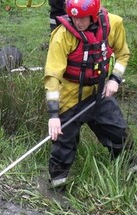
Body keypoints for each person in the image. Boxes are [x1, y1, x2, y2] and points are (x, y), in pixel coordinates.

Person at [45, 0, 134, 188]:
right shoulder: (62, 36)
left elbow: (123, 54)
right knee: (63, 146)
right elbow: (52, 75)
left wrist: (114, 79)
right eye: (74, 17)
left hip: (98, 94)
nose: (78, 23)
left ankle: (129, 173)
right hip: (70, 97)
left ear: (93, 15)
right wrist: (53, 115)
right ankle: (57, 185)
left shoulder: (113, 24)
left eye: (82, 18)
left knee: (119, 133)